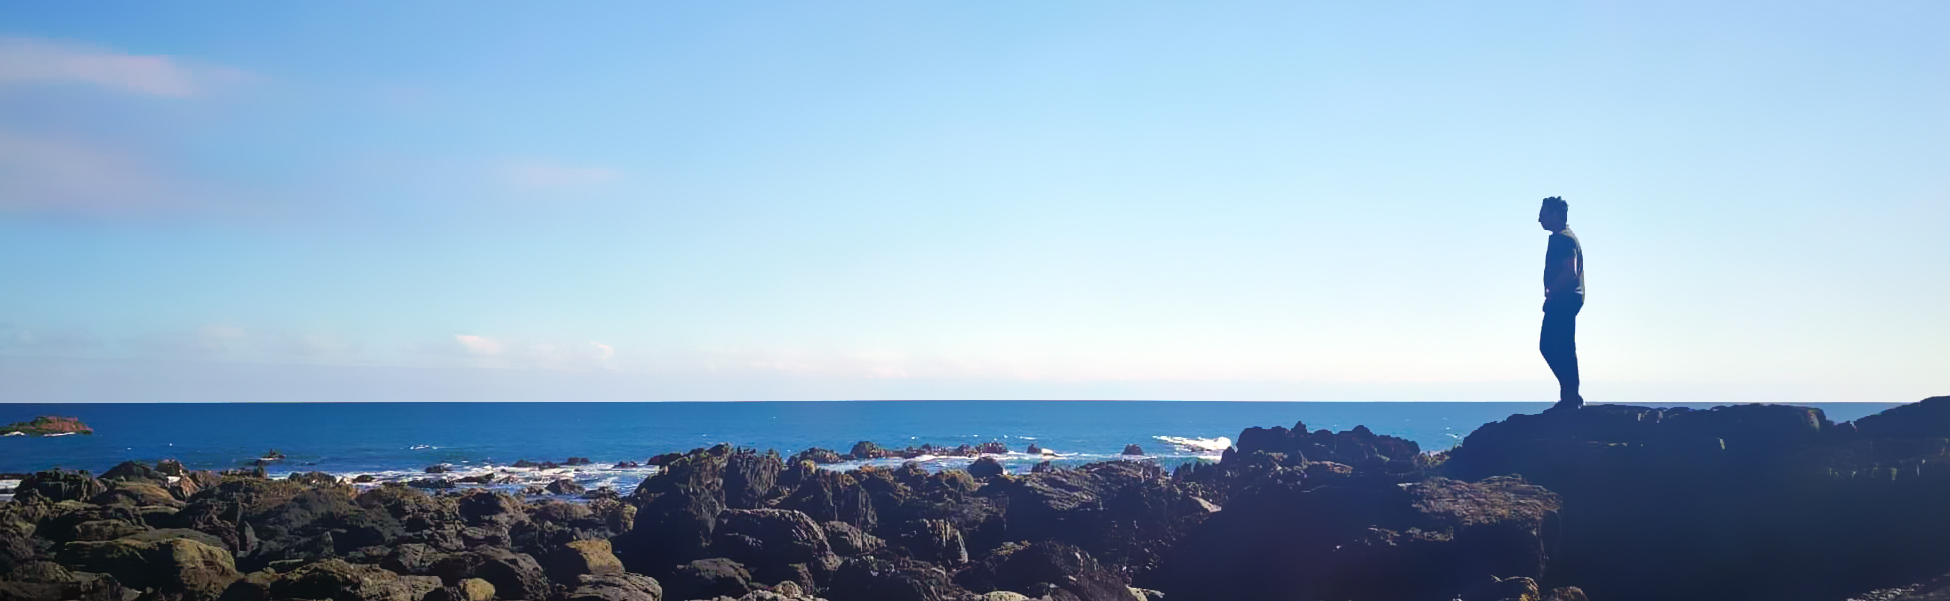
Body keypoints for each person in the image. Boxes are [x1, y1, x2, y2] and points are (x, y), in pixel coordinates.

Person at [1538, 196, 1584, 411]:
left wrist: (1552, 290)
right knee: (1561, 347)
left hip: (1564, 300)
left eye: (1544, 214)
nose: (1539, 219)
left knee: (1552, 346)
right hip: (1565, 299)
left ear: (1556, 215)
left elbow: (1570, 271)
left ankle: (1571, 399)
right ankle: (1570, 397)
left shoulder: (1563, 239)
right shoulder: (1563, 238)